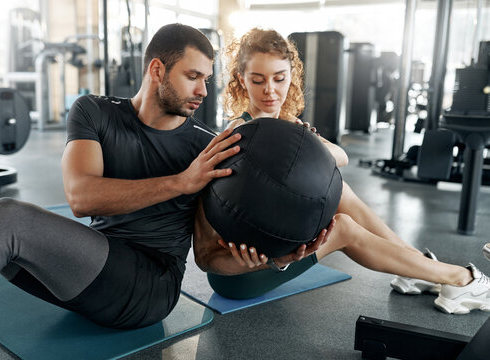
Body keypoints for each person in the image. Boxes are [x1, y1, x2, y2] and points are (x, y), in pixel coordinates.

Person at [0, 23, 241, 329]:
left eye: (206, 79)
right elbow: (81, 197)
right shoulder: (94, 111)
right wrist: (181, 182)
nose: (203, 91)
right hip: (89, 267)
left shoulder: (207, 148)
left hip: (148, 289)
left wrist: (271, 260)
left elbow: (207, 255)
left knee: (9, 217)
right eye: (192, 76)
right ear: (157, 70)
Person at [192, 28, 490, 315]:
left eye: (279, 78)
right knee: (343, 227)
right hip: (240, 275)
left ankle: (416, 266)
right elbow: (205, 253)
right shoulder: (233, 139)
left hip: (279, 250)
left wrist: (309, 146)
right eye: (257, 80)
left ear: (291, 77)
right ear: (241, 80)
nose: (270, 90)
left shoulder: (287, 125)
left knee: (338, 188)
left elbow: (341, 156)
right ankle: (457, 278)